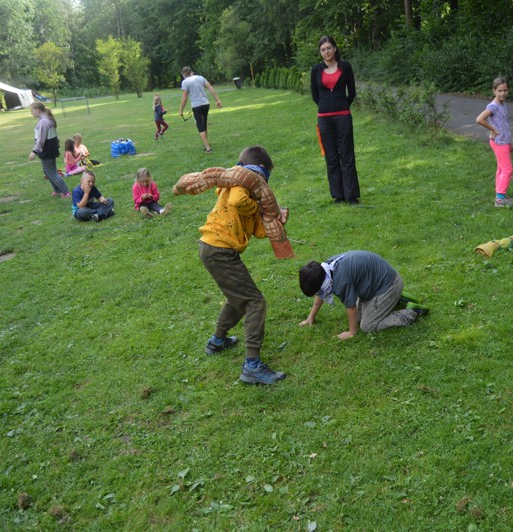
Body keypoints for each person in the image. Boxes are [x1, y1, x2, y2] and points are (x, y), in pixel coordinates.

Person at [192, 145, 286, 385]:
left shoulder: (249, 195)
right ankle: (252, 366)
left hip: (216, 249)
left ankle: (218, 341)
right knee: (255, 301)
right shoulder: (237, 186)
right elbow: (236, 201)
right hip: (218, 250)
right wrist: (256, 203)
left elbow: (259, 231)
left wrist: (276, 220)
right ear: (256, 173)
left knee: (238, 297)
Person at [298, 250, 429, 339]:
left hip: (388, 285)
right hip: (377, 284)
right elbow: (321, 294)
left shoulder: (341, 281)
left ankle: (412, 312)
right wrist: (311, 317)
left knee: (367, 326)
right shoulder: (325, 269)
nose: (319, 294)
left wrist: (352, 333)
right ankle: (394, 299)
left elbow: (351, 308)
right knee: (359, 318)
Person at [310, 35, 360, 205]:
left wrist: (342, 106)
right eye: (323, 49)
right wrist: (326, 107)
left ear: (335, 48)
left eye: (329, 48)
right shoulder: (316, 70)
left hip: (343, 117)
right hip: (324, 119)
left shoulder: (345, 67)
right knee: (331, 158)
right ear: (320, 52)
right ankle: (338, 196)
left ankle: (351, 195)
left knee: (347, 155)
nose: (326, 52)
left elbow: (352, 92)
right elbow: (315, 95)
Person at [476, 77, 513, 207]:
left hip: (504, 142)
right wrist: (493, 130)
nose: (503, 93)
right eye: (500, 91)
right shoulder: (493, 106)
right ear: (494, 91)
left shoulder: (503, 104)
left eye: (505, 90)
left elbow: (504, 125)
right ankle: (500, 200)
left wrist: (510, 144)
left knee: (501, 168)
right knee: (508, 170)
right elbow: (479, 119)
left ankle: (500, 194)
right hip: (499, 142)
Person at [28, 102, 69, 197]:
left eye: (32, 110)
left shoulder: (44, 121)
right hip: (49, 149)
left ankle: (65, 192)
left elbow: (41, 139)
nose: (31, 113)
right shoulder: (46, 119)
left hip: (47, 150)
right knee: (48, 171)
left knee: (51, 171)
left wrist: (34, 151)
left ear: (37, 110)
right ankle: (58, 190)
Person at [179, 67, 222, 153]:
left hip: (196, 106)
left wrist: (181, 111)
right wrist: (217, 99)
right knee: (204, 123)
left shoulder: (185, 82)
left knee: (200, 126)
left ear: (184, 74)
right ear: (191, 72)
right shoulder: (200, 77)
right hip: (206, 104)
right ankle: (206, 143)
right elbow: (210, 88)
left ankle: (208, 148)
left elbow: (184, 98)